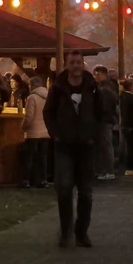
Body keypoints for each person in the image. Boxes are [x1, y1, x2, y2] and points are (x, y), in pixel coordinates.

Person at [43, 51, 106, 248]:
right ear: (67, 65)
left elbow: (102, 113)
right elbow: (48, 113)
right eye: (72, 62)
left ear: (83, 64)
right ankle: (65, 230)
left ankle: (81, 232)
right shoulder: (58, 88)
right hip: (64, 146)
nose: (76, 65)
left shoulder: (92, 88)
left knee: (86, 192)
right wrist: (56, 134)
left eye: (79, 62)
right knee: (64, 189)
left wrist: (93, 136)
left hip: (86, 146)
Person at [21, 76, 51, 189]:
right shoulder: (48, 97)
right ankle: (43, 180)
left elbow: (29, 116)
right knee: (43, 158)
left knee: (29, 157)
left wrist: (24, 127)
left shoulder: (32, 98)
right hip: (45, 131)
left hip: (33, 132)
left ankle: (26, 180)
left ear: (32, 85)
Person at [92, 66, 120, 181]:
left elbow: (104, 106)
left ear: (104, 74)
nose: (96, 76)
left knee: (105, 145)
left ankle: (108, 170)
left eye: (98, 74)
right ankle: (105, 170)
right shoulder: (108, 87)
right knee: (105, 145)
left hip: (104, 120)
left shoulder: (104, 89)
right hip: (107, 119)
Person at [119, 78, 133, 176]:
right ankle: (131, 168)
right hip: (131, 126)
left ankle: (132, 167)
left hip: (127, 125)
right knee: (132, 149)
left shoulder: (125, 97)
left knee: (131, 148)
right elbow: (131, 113)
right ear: (131, 86)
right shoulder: (129, 98)